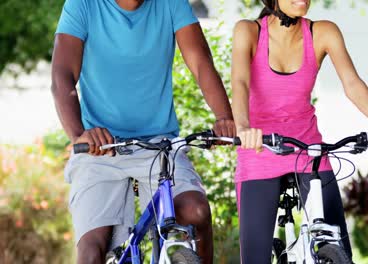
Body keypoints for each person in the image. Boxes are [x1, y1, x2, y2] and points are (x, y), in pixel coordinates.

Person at [51, 0, 235, 263]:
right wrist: (79, 134)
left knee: (196, 212)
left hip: (159, 146)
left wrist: (223, 117)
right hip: (101, 147)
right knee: (92, 251)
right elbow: (62, 75)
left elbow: (200, 62)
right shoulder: (83, 4)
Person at [231, 0, 368, 262]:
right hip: (259, 149)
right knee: (255, 257)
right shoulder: (248, 31)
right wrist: (243, 127)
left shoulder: (324, 32)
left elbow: (352, 83)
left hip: (308, 151)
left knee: (337, 246)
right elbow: (240, 82)